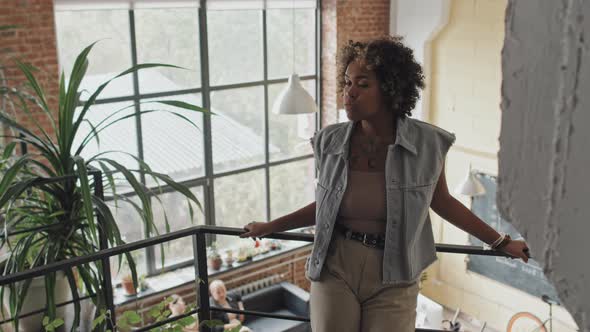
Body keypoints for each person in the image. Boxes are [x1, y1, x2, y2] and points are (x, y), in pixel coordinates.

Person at [241, 36, 530, 332]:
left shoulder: (427, 144)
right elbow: (325, 206)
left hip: (395, 273)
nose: (348, 93)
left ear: (391, 90)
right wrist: (270, 226)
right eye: (346, 82)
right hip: (336, 265)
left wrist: (501, 242)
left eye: (362, 84)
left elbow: (442, 202)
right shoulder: (329, 141)